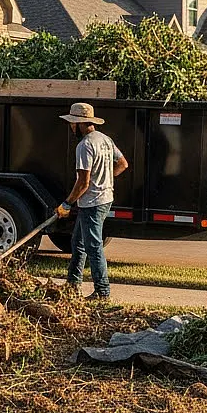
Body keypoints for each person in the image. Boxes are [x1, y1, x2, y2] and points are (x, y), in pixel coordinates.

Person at [54, 102, 129, 300]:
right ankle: (73, 284)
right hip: (105, 198)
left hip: (93, 202)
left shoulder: (85, 145)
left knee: (93, 246)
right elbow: (123, 163)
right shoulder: (105, 140)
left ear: (79, 123)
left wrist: (67, 203)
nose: (71, 127)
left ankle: (102, 291)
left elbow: (83, 182)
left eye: (72, 123)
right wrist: (107, 179)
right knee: (77, 241)